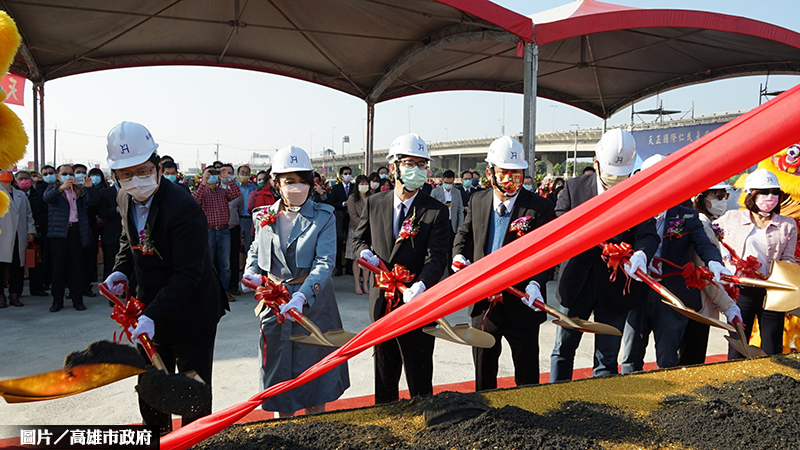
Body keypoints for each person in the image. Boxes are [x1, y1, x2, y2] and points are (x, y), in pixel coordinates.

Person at [101, 121, 229, 434]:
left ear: (159, 167)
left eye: (142, 170)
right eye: (125, 174)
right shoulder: (123, 199)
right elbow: (127, 240)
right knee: (151, 386)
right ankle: (156, 438)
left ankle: (193, 440)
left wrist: (152, 315)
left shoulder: (183, 207)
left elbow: (189, 273)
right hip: (150, 308)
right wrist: (120, 271)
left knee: (191, 390)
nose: (135, 180)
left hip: (193, 310)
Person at [242, 145, 349, 417]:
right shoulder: (264, 216)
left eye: (303, 181)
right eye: (290, 181)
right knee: (278, 375)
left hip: (313, 304)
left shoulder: (323, 216)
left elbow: (325, 262)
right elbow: (256, 250)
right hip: (274, 304)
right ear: (276, 183)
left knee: (315, 377)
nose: (297, 187)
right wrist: (251, 272)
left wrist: (302, 296)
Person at [549, 129, 659, 381]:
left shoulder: (637, 193)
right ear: (596, 162)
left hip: (615, 288)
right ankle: (555, 400)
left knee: (607, 359)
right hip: (576, 285)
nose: (614, 184)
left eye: (622, 177)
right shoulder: (574, 188)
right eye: (610, 177)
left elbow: (648, 233)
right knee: (563, 350)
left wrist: (642, 254)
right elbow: (558, 225)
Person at [453, 136, 556, 391]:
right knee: (484, 373)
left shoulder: (539, 207)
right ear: (490, 173)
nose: (512, 179)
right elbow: (465, 235)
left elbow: (547, 253)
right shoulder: (478, 200)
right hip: (484, 303)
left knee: (527, 375)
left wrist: (536, 283)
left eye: (517, 173)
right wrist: (458, 255)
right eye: (505, 172)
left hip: (521, 302)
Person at [354, 133, 450, 404]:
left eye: (422, 165)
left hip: (418, 303)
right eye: (410, 164)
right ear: (394, 167)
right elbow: (359, 238)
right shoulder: (375, 203)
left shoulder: (436, 211)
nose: (417, 171)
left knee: (419, 377)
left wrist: (421, 285)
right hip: (383, 301)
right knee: (385, 374)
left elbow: (437, 257)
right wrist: (364, 253)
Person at [621, 155, 736, 373]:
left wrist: (714, 263)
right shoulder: (631, 212)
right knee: (631, 354)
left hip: (672, 295)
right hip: (638, 292)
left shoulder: (687, 216)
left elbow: (704, 244)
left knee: (668, 357)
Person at [715, 168, 797, 358]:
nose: (770, 197)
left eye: (774, 193)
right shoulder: (732, 218)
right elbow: (708, 236)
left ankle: (771, 382)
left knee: (771, 345)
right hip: (741, 291)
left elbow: (788, 259)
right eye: (764, 192)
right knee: (738, 343)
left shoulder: (787, 224)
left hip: (772, 293)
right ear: (751, 194)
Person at [678, 181, 739, 366]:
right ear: (699, 197)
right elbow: (704, 275)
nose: (722, 201)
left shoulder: (705, 222)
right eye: (717, 196)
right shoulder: (702, 224)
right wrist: (727, 305)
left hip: (699, 305)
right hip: (699, 305)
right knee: (691, 361)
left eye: (725, 196)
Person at [44, 164, 99, 312]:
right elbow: (47, 199)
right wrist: (61, 188)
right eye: (64, 174)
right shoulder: (53, 189)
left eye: (70, 174)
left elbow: (92, 202)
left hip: (76, 231)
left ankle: (77, 300)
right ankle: (57, 301)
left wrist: (90, 187)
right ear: (58, 176)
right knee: (58, 268)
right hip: (59, 233)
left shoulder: (79, 190)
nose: (68, 176)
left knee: (77, 267)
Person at [193, 165, 241, 303]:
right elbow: (194, 201)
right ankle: (208, 292)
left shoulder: (222, 191)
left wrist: (227, 178)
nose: (212, 176)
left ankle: (225, 292)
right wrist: (203, 183)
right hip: (208, 230)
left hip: (224, 230)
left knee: (225, 265)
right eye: (209, 174)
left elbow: (236, 194)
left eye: (214, 173)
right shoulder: (201, 191)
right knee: (208, 263)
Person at [0, 170, 35, 307]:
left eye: (8, 172)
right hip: (2, 235)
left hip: (18, 235)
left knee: (17, 266)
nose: (6, 174)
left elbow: (28, 215)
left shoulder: (20, 195)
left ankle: (15, 294)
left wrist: (31, 230)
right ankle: (1, 295)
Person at [15, 170, 48, 297]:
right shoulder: (10, 195)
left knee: (36, 262)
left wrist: (34, 228)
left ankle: (37, 288)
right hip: (16, 232)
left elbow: (43, 213)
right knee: (17, 263)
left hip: (35, 232)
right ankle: (16, 292)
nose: (24, 181)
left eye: (26, 178)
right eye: (21, 179)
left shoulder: (39, 195)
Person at [74, 163, 99, 298]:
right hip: (72, 229)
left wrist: (90, 189)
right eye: (78, 172)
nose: (81, 175)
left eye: (83, 172)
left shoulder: (89, 189)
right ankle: (73, 289)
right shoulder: (67, 189)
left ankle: (86, 287)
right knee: (73, 262)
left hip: (88, 228)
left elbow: (93, 202)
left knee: (88, 260)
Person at [221, 163, 244, 296]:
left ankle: (233, 285)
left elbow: (240, 207)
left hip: (233, 227)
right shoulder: (215, 189)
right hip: (218, 228)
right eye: (224, 172)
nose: (227, 175)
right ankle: (222, 288)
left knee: (233, 257)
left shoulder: (237, 190)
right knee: (221, 260)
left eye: (230, 172)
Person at [346, 175, 370, 294]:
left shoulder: (372, 197)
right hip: (355, 230)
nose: (364, 185)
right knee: (356, 258)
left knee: (367, 258)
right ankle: (357, 284)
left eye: (366, 183)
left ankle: (365, 284)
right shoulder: (352, 198)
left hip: (370, 231)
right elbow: (352, 215)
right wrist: (363, 226)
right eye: (362, 183)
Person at [431, 169, 464, 250]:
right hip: (440, 223)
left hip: (452, 223)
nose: (448, 185)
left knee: (452, 247)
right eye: (446, 183)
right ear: (442, 181)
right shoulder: (435, 192)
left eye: (450, 183)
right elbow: (431, 208)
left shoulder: (457, 192)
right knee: (440, 247)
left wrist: (460, 225)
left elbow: (460, 209)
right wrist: (442, 206)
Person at [331, 166, 354, 277]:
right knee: (339, 243)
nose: (347, 175)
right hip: (339, 216)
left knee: (350, 242)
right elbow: (332, 203)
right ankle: (338, 268)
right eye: (345, 173)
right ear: (341, 176)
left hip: (351, 217)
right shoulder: (336, 188)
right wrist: (343, 204)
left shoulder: (354, 187)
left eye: (349, 173)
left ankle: (349, 267)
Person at [236, 165, 258, 258]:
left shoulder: (254, 188)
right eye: (242, 172)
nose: (244, 175)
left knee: (249, 245)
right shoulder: (234, 187)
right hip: (237, 219)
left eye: (246, 173)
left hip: (250, 220)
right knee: (236, 244)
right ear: (237, 174)